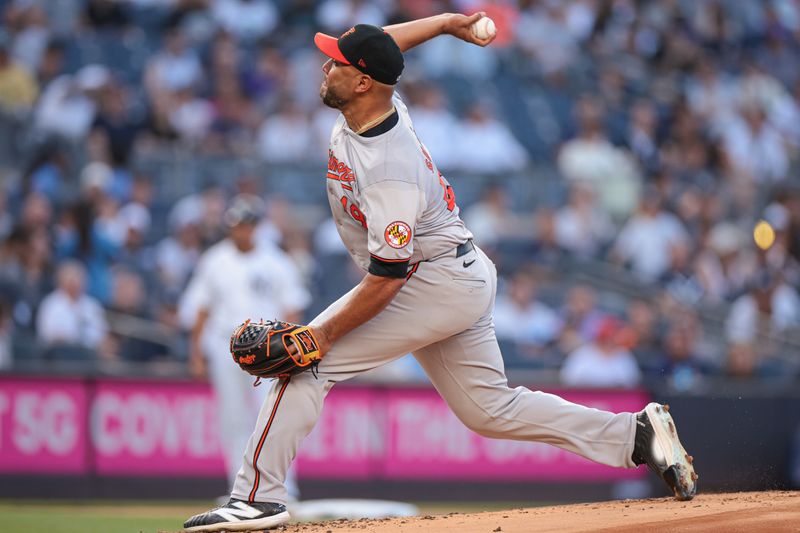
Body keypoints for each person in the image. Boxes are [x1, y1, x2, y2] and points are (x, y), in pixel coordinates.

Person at [184, 14, 697, 532]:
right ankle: (636, 436)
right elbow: (386, 47)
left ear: (362, 81)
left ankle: (256, 496)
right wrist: (449, 22)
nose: (324, 66)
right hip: (454, 272)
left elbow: (387, 277)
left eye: (335, 62)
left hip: (431, 281)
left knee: (308, 362)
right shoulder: (375, 101)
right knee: (488, 410)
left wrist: (320, 336)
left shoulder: (388, 166)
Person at [179, 195, 310, 499]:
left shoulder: (276, 260)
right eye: (237, 225)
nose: (242, 231)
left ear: (256, 226)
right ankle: (239, 489)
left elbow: (293, 309)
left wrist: (291, 353)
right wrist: (196, 353)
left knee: (274, 416)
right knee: (233, 419)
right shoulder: (215, 260)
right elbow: (201, 309)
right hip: (225, 344)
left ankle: (283, 488)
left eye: (247, 225)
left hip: (268, 349)